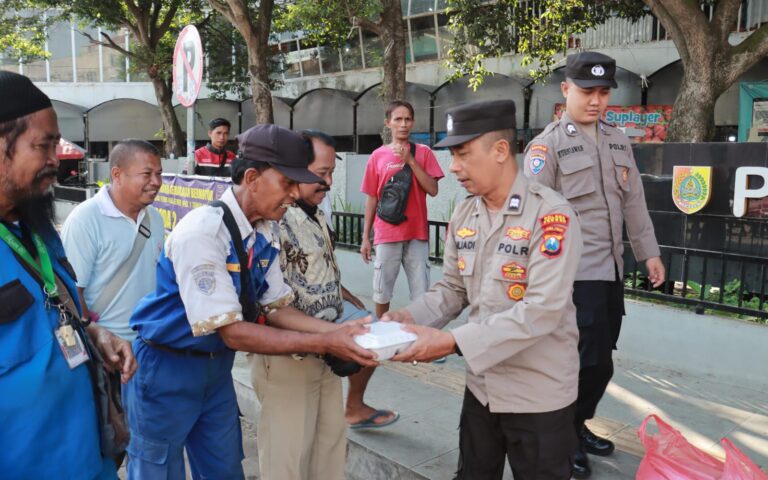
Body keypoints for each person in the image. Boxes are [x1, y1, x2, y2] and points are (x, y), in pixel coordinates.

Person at [124, 124, 377, 480]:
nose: (293, 195)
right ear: (253, 178)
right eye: (287, 183)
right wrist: (325, 342)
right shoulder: (203, 232)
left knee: (224, 469)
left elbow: (277, 307)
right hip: (167, 367)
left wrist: (339, 333)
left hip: (215, 369)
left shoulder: (263, 230)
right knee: (158, 471)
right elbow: (233, 332)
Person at [383, 99, 584, 480]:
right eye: (452, 156)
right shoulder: (466, 213)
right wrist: (406, 318)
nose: (453, 167)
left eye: (463, 154)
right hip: (483, 387)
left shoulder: (550, 216)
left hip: (537, 395)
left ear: (501, 151)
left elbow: (541, 310)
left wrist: (450, 343)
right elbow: (452, 289)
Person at [523, 51, 665, 478]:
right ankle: (563, 436)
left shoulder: (618, 140)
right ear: (566, 89)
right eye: (587, 91)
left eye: (604, 92)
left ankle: (576, 424)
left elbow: (634, 202)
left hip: (609, 272)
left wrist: (649, 253)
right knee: (580, 362)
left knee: (601, 361)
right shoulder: (546, 146)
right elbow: (529, 217)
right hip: (570, 276)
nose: (596, 100)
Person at [0, 71, 136, 479]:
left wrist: (90, 332)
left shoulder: (36, 229)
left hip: (91, 460)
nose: (55, 160)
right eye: (42, 146)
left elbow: (48, 313)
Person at [252, 130, 368, 480]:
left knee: (328, 453)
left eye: (332, 172)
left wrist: (344, 297)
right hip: (290, 359)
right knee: (287, 462)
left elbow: (313, 270)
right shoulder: (274, 221)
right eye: (322, 173)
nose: (328, 182)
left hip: (328, 354)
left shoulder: (315, 212)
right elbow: (268, 300)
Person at [355, 99, 444, 428]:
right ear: (388, 123)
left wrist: (410, 161)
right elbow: (372, 198)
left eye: (408, 119)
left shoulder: (424, 153)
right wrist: (366, 237)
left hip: (417, 233)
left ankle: (421, 343)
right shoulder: (377, 157)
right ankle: (383, 339)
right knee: (383, 291)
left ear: (413, 122)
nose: (403, 124)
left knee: (422, 292)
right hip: (386, 233)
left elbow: (433, 189)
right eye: (398, 119)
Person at [62, 139, 165, 341]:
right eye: (147, 174)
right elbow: (71, 292)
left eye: (159, 173)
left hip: (151, 343)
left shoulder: (155, 218)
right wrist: (97, 337)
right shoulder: (85, 220)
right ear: (117, 175)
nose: (156, 181)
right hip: (109, 348)